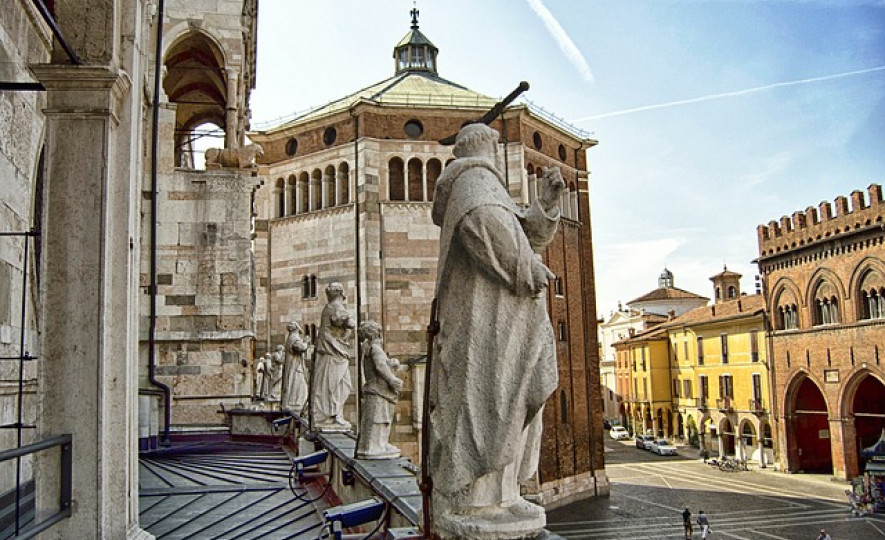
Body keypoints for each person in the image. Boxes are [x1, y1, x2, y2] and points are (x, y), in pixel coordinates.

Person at [428, 123, 565, 539]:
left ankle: (504, 495)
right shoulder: (473, 183)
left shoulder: (487, 187)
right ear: (486, 149)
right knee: (488, 403)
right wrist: (528, 271)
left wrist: (546, 203)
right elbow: (486, 232)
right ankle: (477, 499)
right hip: (483, 324)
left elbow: (524, 235)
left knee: (511, 401)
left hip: (506, 323)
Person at [355, 320, 403, 459]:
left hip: (376, 387)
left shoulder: (368, 348)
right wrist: (392, 380)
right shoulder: (375, 348)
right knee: (378, 416)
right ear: (375, 333)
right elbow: (380, 366)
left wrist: (391, 363)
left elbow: (382, 364)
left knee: (380, 416)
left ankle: (379, 443)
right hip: (378, 388)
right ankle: (373, 447)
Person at [311, 282, 356, 430]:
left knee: (339, 384)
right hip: (333, 352)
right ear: (341, 293)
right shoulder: (335, 307)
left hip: (333, 351)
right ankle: (331, 415)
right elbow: (343, 321)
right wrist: (351, 321)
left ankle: (334, 414)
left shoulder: (329, 307)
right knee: (335, 385)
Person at [281, 322, 309, 415]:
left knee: (299, 386)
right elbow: (300, 347)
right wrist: (306, 342)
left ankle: (295, 403)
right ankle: (295, 404)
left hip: (294, 366)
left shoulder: (290, 338)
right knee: (299, 386)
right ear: (297, 329)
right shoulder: (294, 338)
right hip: (295, 368)